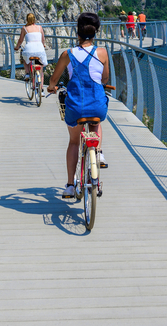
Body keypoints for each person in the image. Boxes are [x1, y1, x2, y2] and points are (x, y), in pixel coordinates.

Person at [47, 12, 110, 198]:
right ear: (96, 31)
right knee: (96, 122)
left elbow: (54, 79)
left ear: (78, 32)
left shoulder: (68, 54)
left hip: (75, 107)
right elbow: (104, 79)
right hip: (97, 105)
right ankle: (98, 153)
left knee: (74, 141)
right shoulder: (103, 52)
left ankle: (69, 185)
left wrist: (52, 87)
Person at [14, 13, 48, 87]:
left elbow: (20, 40)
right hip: (40, 49)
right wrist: (43, 45)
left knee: (24, 59)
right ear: (34, 19)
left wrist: (17, 47)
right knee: (41, 70)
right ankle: (41, 90)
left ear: (27, 19)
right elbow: (43, 39)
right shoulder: (40, 27)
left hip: (29, 50)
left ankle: (27, 73)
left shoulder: (24, 28)